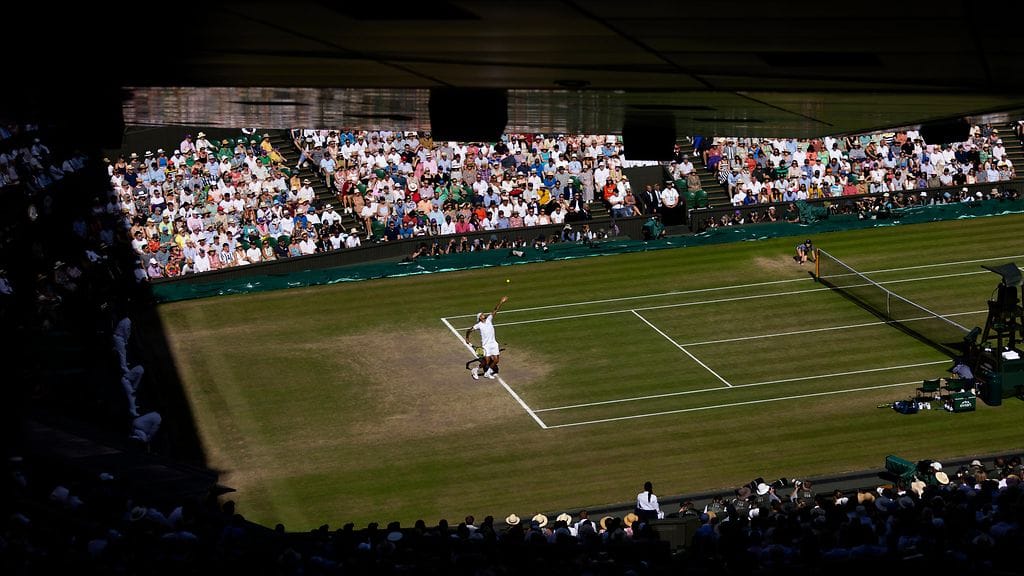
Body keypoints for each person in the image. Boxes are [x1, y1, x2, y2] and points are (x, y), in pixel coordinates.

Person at [465, 296, 508, 380]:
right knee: (486, 361)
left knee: (496, 360)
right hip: (486, 345)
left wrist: (501, 302)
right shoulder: (478, 325)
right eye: (481, 315)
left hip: (494, 344)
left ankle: (487, 373)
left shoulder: (489, 319)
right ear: (479, 318)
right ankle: (475, 370)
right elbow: (469, 330)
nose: (483, 315)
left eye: (483, 314)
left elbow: (495, 310)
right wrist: (467, 338)